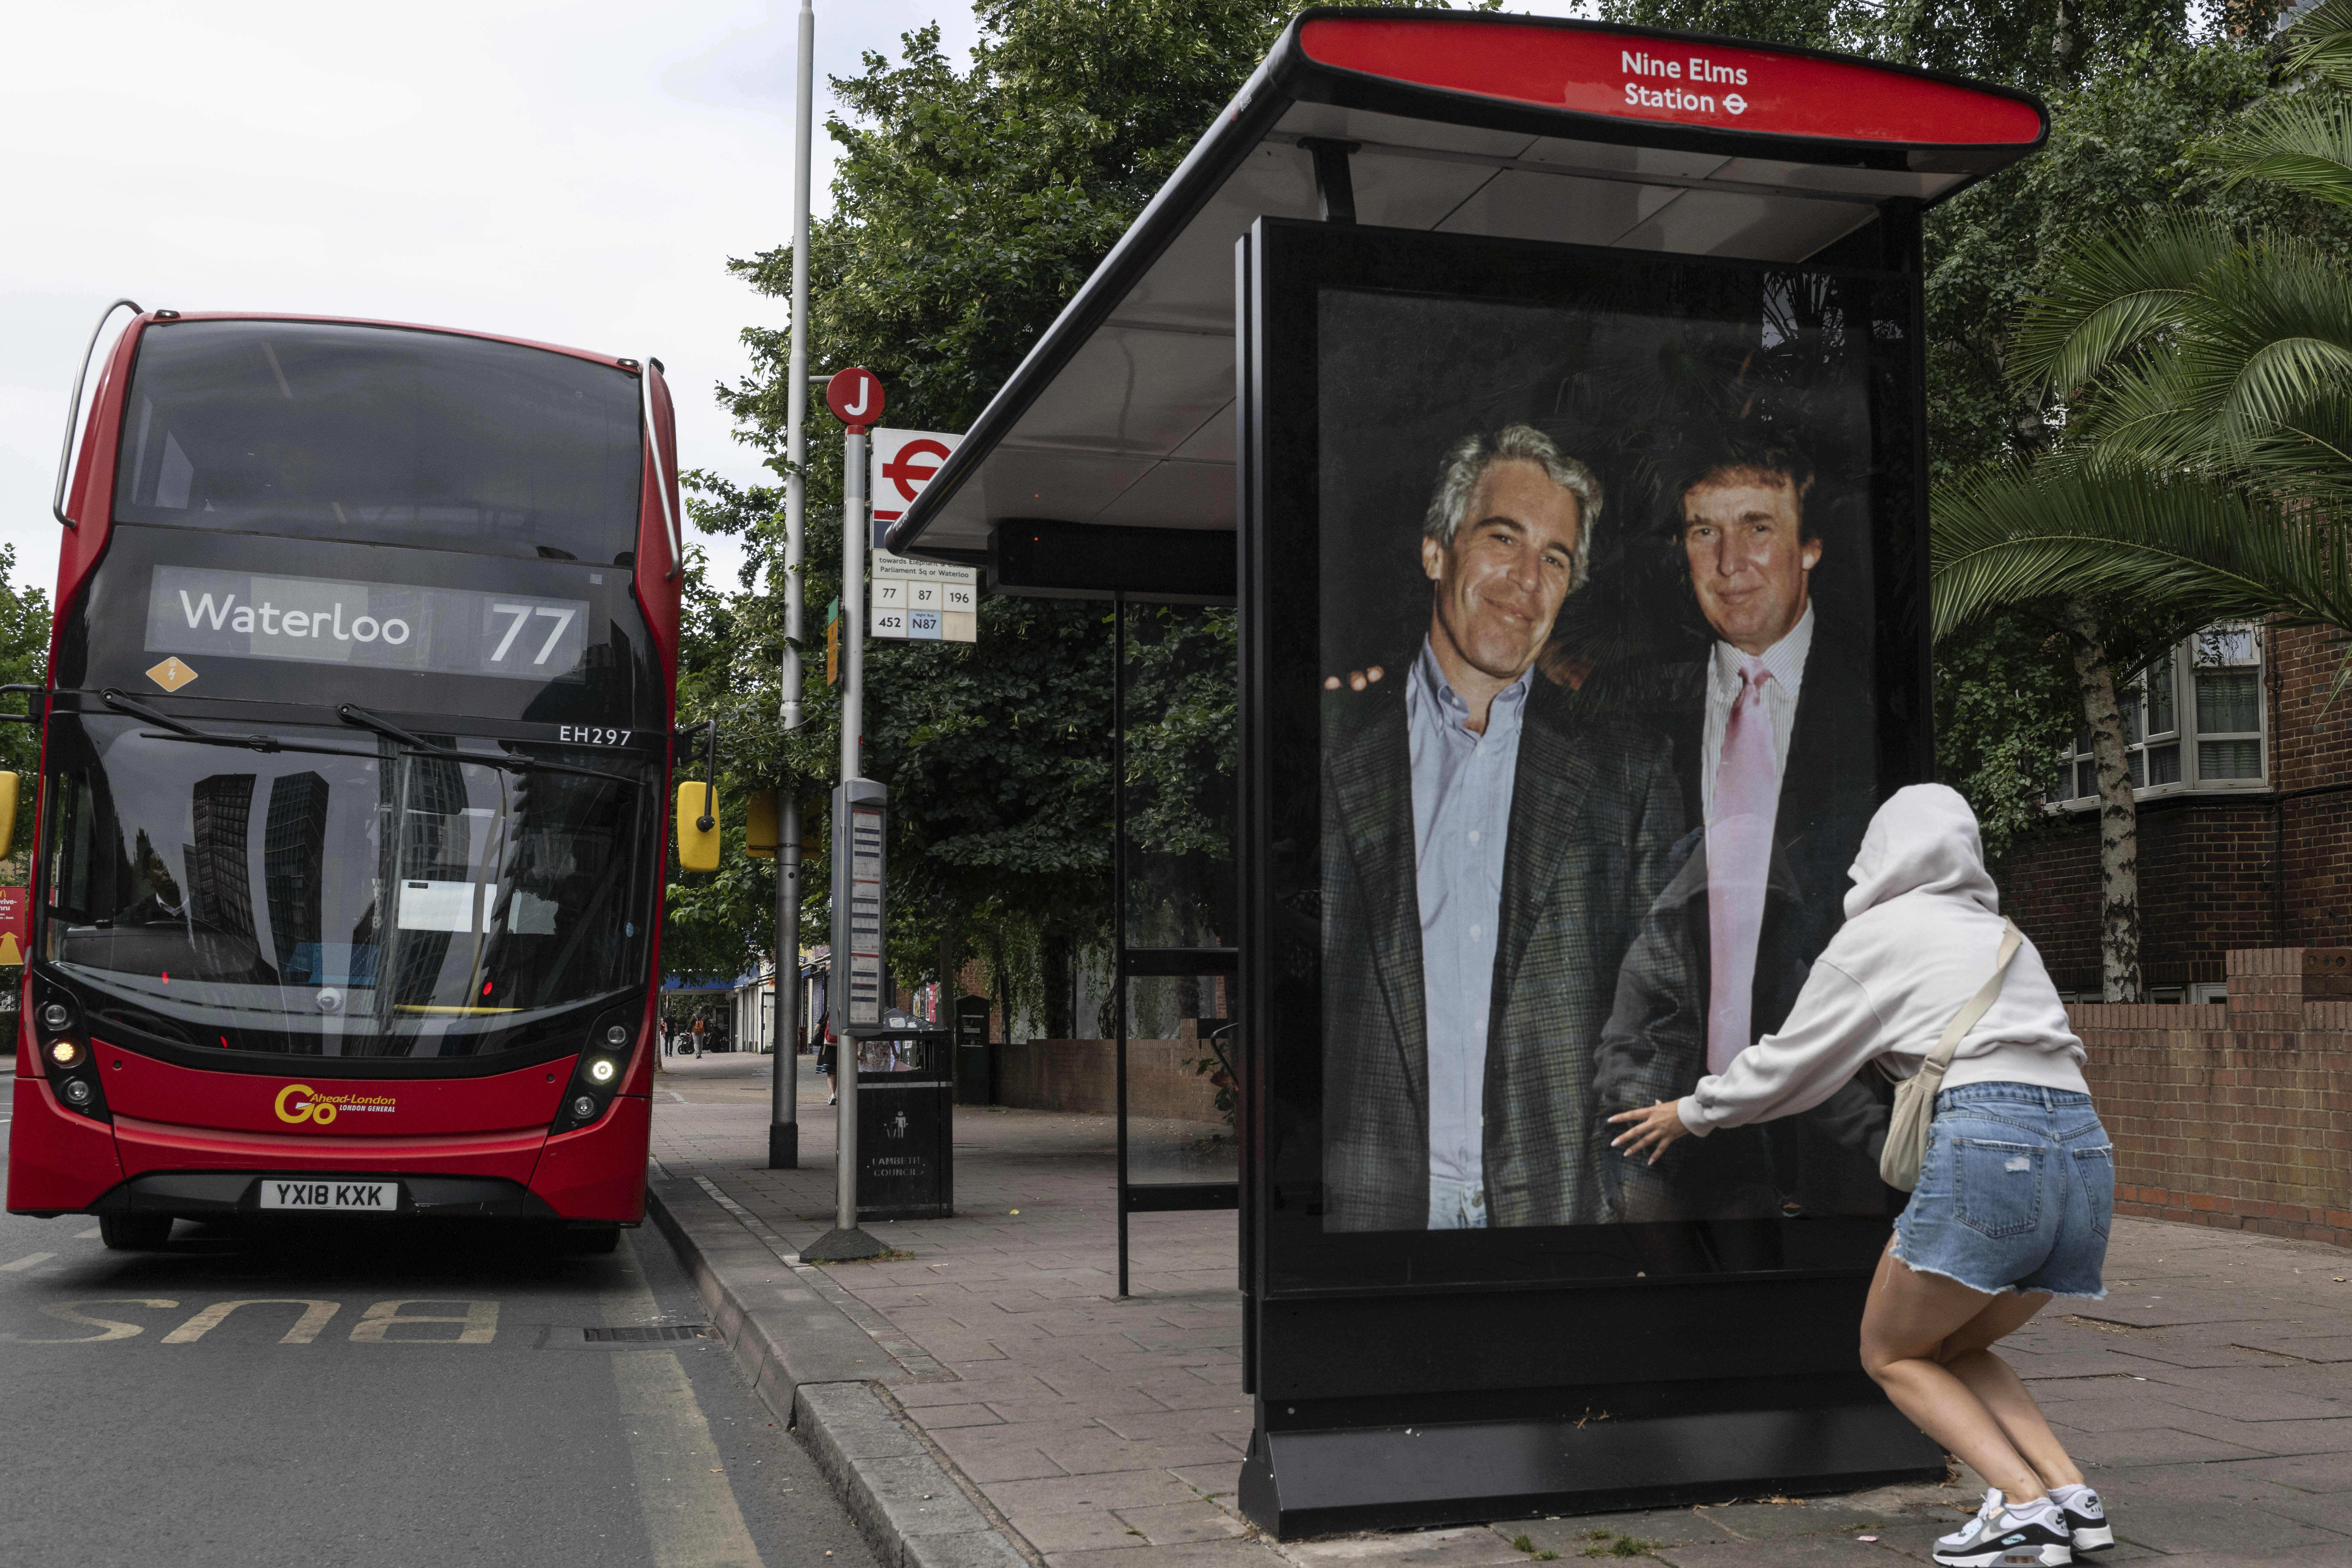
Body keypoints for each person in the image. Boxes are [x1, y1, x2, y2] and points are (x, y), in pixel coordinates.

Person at [1609, 785, 2115, 1568]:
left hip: (1987, 1146)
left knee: (1890, 1353)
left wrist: (1692, 1112)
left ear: (1879, 852)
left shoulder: (1877, 935)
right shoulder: (2005, 936)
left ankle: (2021, 1506)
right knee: (1947, 1345)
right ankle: (2070, 1495)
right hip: (2084, 1157)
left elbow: (1793, 1065)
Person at [1322, 424, 1683, 1232]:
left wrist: (1617, 1187)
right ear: (1435, 551)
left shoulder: (1627, 772)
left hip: (1558, 1208)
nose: (1526, 579)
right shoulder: (1332, 753)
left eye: (1554, 558)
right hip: (1372, 1205)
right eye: (1502, 538)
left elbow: (1659, 1008)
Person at [1593, 434, 1885, 1235]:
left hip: (1827, 1124)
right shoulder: (1633, 713)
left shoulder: (1871, 707)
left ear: (1810, 546)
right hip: (1666, 1122)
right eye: (1702, 531)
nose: (1729, 563)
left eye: (1757, 526)